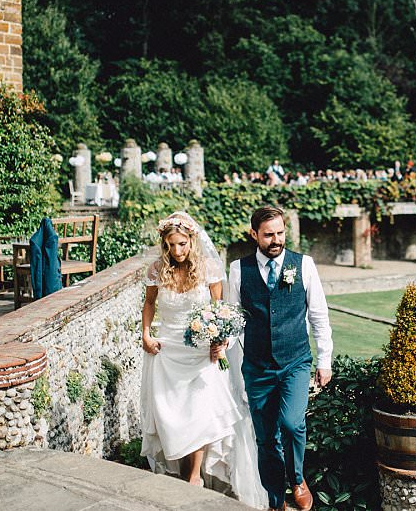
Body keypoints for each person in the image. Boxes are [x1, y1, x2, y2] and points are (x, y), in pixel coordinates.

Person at [140, 212, 266, 508]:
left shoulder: (209, 268)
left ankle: (194, 476)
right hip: (168, 350)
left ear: (192, 241)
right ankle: (186, 470)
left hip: (201, 353)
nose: (177, 251)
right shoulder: (157, 269)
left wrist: (219, 341)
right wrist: (145, 334)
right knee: (173, 416)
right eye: (171, 245)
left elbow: (220, 311)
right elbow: (149, 303)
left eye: (182, 244)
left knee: (200, 413)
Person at [227, 205, 333, 511]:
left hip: (295, 361)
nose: (276, 240)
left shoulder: (304, 264)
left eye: (280, 233)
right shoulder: (239, 270)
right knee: (266, 439)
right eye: (268, 235)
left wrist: (324, 360)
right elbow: (234, 320)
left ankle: (297, 480)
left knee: (291, 424)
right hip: (257, 367)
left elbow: (318, 315)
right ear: (254, 234)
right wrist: (221, 343)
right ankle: (275, 501)